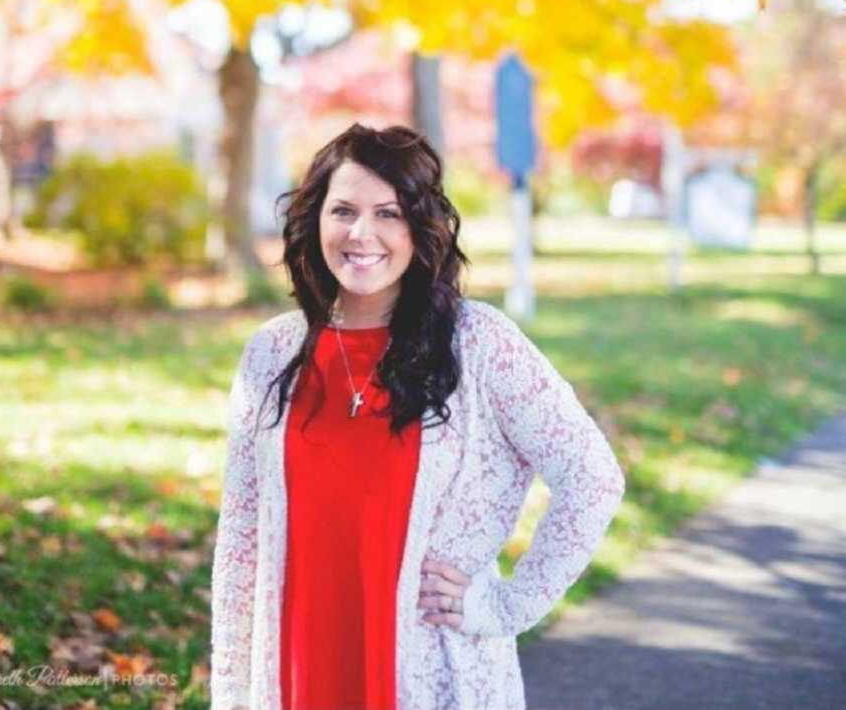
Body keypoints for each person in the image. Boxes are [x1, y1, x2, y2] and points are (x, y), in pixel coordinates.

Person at [210, 123, 626, 710]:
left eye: (389, 213)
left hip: (433, 671)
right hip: (298, 670)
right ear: (315, 221)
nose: (363, 233)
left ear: (420, 227)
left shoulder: (479, 344)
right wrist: (232, 693)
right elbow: (242, 541)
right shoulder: (273, 353)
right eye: (344, 211)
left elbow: (592, 476)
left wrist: (508, 606)